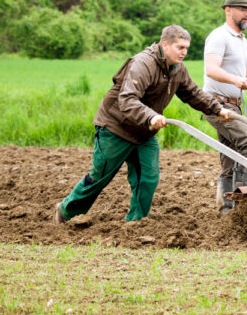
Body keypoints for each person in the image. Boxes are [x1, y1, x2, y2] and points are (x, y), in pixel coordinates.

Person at [53, 26, 233, 224]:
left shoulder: (178, 69)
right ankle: (66, 211)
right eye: (180, 47)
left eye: (187, 48)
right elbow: (128, 99)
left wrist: (217, 109)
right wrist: (151, 117)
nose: (185, 52)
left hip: (144, 132)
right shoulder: (143, 64)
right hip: (115, 128)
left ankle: (136, 222)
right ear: (165, 45)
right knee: (99, 177)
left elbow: (192, 93)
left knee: (148, 177)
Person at [203, 0, 247, 213]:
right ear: (228, 10)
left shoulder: (243, 41)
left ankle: (226, 208)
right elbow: (211, 69)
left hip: (234, 104)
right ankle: (242, 206)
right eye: (243, 9)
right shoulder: (219, 36)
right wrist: (237, 80)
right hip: (216, 104)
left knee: (230, 155)